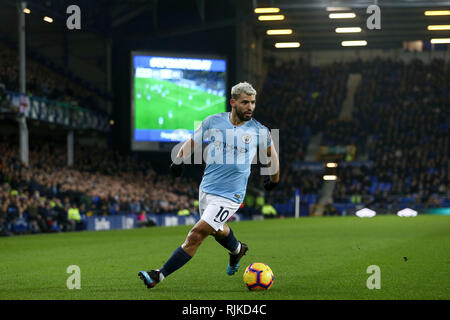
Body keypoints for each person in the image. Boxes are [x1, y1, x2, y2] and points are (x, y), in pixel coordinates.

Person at [138, 82, 280, 288]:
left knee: (196, 234)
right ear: (233, 102)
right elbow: (192, 142)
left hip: (231, 195)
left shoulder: (260, 131)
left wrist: (273, 180)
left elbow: (272, 157)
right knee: (217, 230)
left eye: (253, 103)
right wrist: (179, 159)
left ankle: (158, 275)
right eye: (245, 102)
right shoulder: (213, 122)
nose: (250, 107)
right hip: (207, 189)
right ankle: (237, 249)